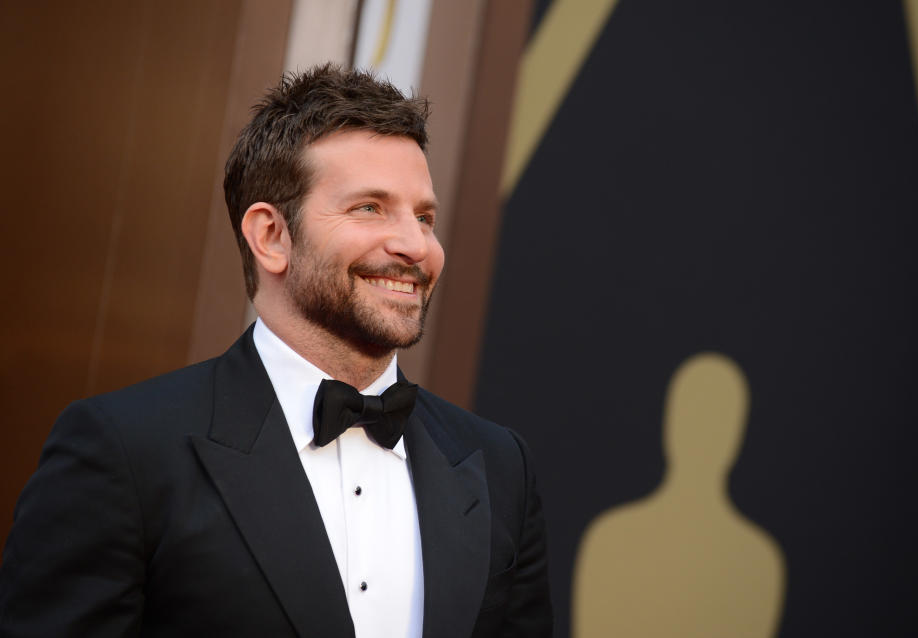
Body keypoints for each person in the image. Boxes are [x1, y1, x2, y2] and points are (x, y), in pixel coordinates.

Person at [0, 64, 552, 638]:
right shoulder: (125, 453)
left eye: (425, 217)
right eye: (370, 208)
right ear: (270, 236)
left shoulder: (500, 465)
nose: (416, 245)